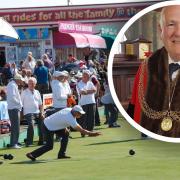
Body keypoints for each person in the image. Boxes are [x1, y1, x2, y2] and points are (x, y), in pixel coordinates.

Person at [127, 6, 180, 137]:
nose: (178, 32)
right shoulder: (146, 67)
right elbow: (135, 103)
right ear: (160, 30)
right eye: (171, 24)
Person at [26, 105, 101, 161]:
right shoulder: (70, 118)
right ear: (74, 112)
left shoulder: (69, 109)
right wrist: (92, 134)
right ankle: (32, 154)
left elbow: (60, 118)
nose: (80, 115)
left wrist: (64, 128)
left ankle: (61, 154)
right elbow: (81, 130)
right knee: (49, 146)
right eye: (79, 113)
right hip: (47, 126)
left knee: (66, 134)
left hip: (54, 125)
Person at [21, 77, 44, 146]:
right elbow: (21, 104)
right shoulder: (24, 92)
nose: (31, 84)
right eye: (29, 83)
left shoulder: (37, 92)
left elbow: (41, 104)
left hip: (37, 112)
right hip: (28, 112)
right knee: (31, 125)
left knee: (42, 125)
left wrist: (42, 113)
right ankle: (29, 142)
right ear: (28, 84)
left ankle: (41, 141)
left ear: (35, 84)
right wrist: (21, 115)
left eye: (32, 83)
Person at [6, 73, 24, 148]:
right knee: (15, 126)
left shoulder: (13, 85)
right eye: (20, 80)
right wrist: (20, 104)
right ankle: (14, 143)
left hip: (14, 107)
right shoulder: (12, 85)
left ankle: (14, 142)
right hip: (14, 108)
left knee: (15, 126)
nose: (21, 81)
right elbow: (13, 97)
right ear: (17, 80)